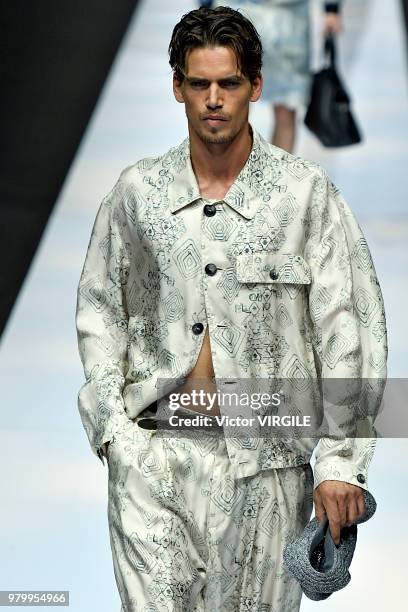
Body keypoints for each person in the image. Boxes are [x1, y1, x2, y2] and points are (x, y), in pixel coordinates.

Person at [75, 6, 387, 611]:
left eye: (229, 84)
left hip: (269, 464)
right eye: (199, 84)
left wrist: (342, 459)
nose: (213, 100)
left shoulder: (304, 197)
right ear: (177, 87)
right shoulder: (138, 194)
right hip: (153, 456)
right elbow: (98, 309)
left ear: (256, 87)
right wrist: (114, 432)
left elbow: (348, 327)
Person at [206, 0, 343, 152]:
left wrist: (332, 9)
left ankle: (275, 174)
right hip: (270, 18)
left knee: (283, 106)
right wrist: (332, 9)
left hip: (284, 18)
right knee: (233, 102)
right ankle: (234, 172)